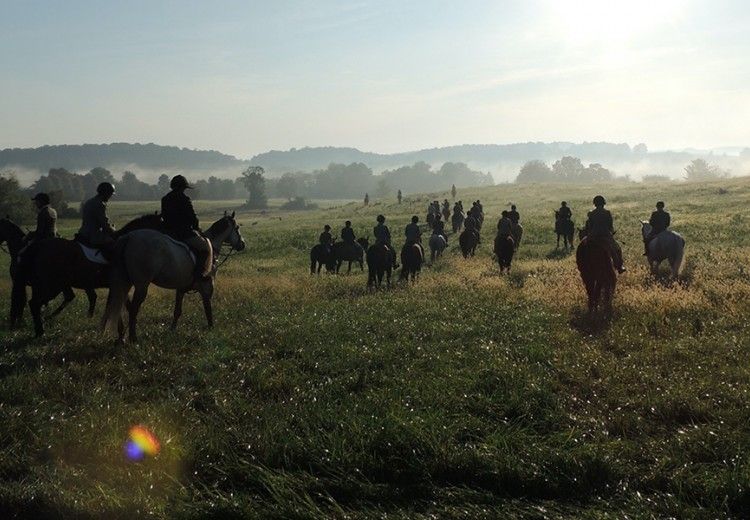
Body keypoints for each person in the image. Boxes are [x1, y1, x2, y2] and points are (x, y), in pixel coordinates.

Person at [161, 175, 212, 281]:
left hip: (168, 233)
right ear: (182, 187)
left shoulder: (165, 199)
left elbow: (164, 216)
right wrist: (196, 227)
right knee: (205, 248)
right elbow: (192, 217)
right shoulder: (184, 199)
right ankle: (199, 275)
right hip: (184, 233)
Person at [584, 195, 625, 274]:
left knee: (584, 248)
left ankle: (584, 266)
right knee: (617, 248)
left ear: (595, 204)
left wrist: (591, 233)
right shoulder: (607, 213)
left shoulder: (592, 213)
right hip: (605, 234)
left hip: (593, 235)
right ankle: (619, 266)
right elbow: (610, 225)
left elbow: (590, 226)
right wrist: (611, 231)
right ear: (603, 203)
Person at [77, 182, 117, 253]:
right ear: (106, 193)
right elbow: (104, 225)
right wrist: (113, 230)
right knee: (115, 244)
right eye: (110, 194)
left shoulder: (90, 201)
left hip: (83, 232)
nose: (110, 197)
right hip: (93, 236)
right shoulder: (99, 204)